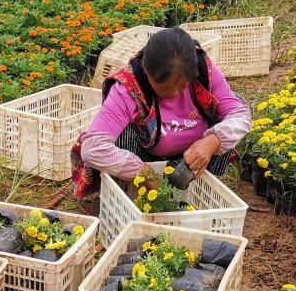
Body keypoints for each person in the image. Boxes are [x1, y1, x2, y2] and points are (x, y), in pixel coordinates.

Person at [72, 27, 252, 197]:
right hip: (147, 155)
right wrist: (143, 172)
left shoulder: (205, 71)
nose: (174, 93)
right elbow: (93, 148)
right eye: (164, 87)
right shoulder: (128, 87)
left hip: (195, 156)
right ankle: (129, 190)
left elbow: (241, 116)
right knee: (122, 134)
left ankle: (205, 183)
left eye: (182, 86)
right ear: (146, 69)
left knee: (235, 107)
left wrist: (213, 141)